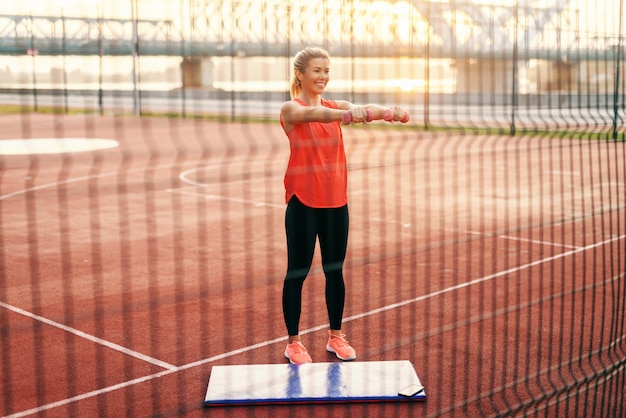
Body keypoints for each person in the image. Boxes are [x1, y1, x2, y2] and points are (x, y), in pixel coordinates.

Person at [279, 46, 408, 365]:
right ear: (300, 74)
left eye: (326, 71)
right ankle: (293, 343)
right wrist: (345, 116)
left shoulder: (337, 105)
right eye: (316, 71)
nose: (322, 76)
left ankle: (335, 337)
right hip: (303, 203)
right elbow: (315, 114)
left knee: (334, 271)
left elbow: (364, 108)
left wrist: (388, 112)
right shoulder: (291, 109)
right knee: (298, 272)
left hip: (336, 202)